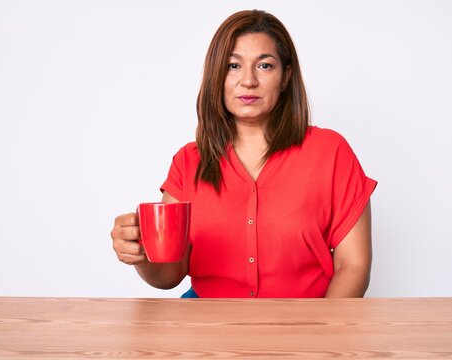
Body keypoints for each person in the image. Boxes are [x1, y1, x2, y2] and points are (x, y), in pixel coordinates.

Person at [110, 10, 377, 298]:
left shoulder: (331, 152)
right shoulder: (188, 162)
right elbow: (170, 274)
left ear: (286, 76)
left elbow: (353, 264)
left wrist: (321, 333)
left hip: (304, 326)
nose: (248, 81)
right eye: (233, 65)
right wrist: (141, 256)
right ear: (217, 76)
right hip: (208, 326)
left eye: (264, 66)